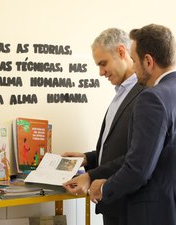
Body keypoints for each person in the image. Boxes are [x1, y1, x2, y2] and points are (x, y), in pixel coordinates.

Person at [90, 24, 176, 225]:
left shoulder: (152, 98)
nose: (133, 67)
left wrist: (103, 188)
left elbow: (138, 168)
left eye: (135, 60)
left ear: (148, 61)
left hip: (149, 213)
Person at [62, 28, 144, 225]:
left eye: (103, 63)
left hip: (130, 205)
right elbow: (114, 147)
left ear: (122, 52)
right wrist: (86, 159)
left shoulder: (146, 94)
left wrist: (91, 176)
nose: (100, 72)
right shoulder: (121, 93)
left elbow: (138, 154)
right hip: (112, 203)